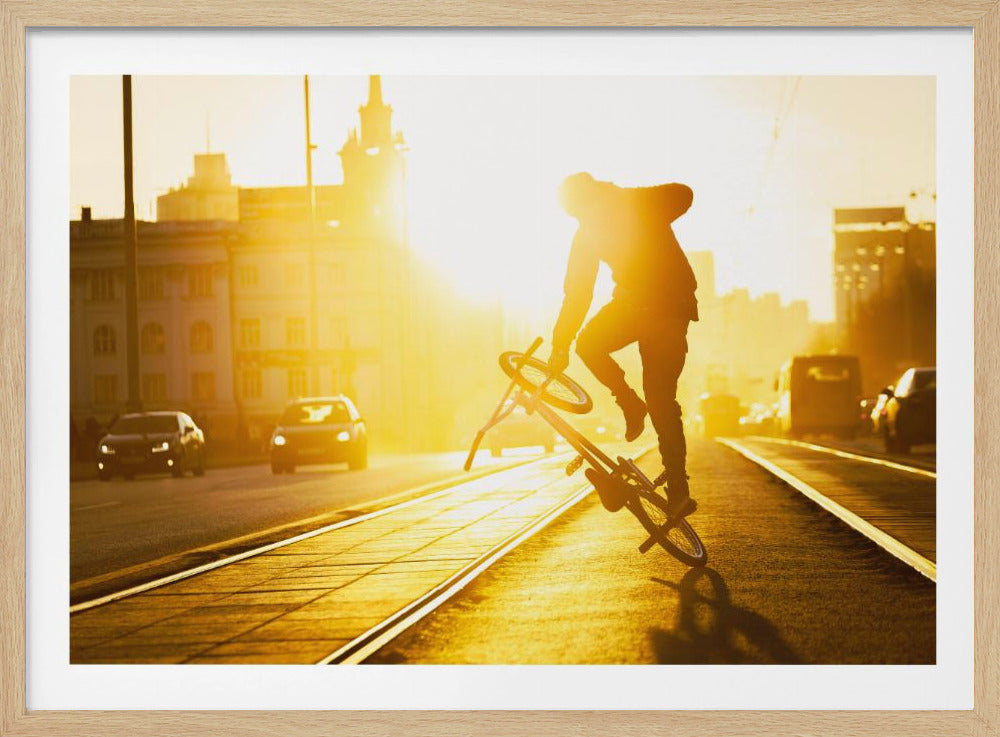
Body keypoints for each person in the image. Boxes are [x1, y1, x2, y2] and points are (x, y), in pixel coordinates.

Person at [547, 172, 698, 521]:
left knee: (661, 396)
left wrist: (634, 200)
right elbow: (577, 293)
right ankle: (631, 404)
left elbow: (683, 194)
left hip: (668, 309)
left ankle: (678, 487)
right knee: (590, 345)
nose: (582, 220)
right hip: (637, 308)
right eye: (576, 216)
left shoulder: (632, 204)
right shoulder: (586, 233)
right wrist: (561, 346)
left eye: (580, 212)